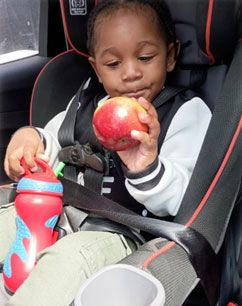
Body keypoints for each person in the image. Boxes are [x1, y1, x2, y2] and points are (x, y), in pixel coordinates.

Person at [0, 0, 212, 305]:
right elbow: (54, 140)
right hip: (57, 215)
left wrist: (146, 166)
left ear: (170, 56)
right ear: (96, 68)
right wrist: (29, 138)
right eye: (113, 64)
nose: (130, 73)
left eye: (145, 57)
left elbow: (183, 198)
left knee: (66, 261)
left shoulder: (185, 112)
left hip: (120, 233)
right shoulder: (87, 100)